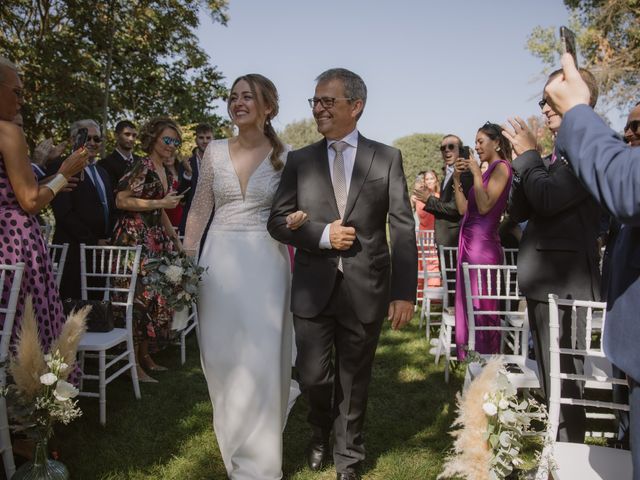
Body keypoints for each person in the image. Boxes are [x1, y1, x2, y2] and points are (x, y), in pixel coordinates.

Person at [268, 68, 417, 480]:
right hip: (313, 289)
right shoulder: (300, 160)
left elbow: (403, 226)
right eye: (314, 101)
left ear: (356, 106)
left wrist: (404, 292)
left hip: (365, 287)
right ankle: (319, 430)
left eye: (327, 101)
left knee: (354, 381)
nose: (318, 109)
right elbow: (277, 223)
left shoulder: (387, 157)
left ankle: (348, 457)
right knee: (315, 377)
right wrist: (320, 235)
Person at [184, 74, 303, 480]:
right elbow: (199, 209)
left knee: (263, 356)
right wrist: (186, 261)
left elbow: (293, 211)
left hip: (266, 262)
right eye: (233, 97)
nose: (237, 103)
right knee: (219, 356)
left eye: (247, 96)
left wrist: (297, 219)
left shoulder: (287, 155)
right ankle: (234, 437)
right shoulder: (213, 151)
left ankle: (261, 463)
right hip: (218, 260)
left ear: (268, 106)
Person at [542, 53, 640, 478]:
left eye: (638, 126)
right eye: (630, 125)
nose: (630, 133)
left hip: (571, 277)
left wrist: (576, 115)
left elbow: (623, 191)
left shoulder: (582, 154)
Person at [502, 66, 602, 443]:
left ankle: (567, 452)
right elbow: (522, 210)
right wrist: (524, 162)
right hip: (546, 284)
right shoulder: (555, 153)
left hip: (567, 282)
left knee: (567, 382)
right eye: (541, 99)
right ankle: (556, 453)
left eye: (550, 98)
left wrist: (529, 157)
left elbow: (549, 198)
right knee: (552, 380)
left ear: (578, 96)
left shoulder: (587, 146)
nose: (543, 106)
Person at [0, 57, 88, 351]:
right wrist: (65, 173)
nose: (22, 101)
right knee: (27, 333)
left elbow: (10, 188)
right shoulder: (8, 131)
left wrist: (53, 179)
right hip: (13, 243)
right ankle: (35, 391)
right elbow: (30, 201)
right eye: (17, 92)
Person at [112, 117, 184, 383]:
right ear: (153, 138)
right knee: (137, 301)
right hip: (133, 239)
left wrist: (177, 244)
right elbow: (121, 200)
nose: (171, 145)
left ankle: (146, 357)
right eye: (167, 139)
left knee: (151, 300)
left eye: (176, 141)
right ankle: (136, 364)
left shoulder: (164, 169)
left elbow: (161, 208)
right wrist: (159, 202)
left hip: (153, 239)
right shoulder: (142, 164)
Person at [453, 122, 512, 359]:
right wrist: (458, 179)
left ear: (496, 142)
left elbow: (486, 206)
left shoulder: (501, 168)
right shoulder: (487, 171)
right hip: (468, 243)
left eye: (481, 141)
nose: (476, 146)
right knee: (469, 302)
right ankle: (472, 355)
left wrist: (477, 173)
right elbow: (462, 209)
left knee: (483, 304)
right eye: (475, 142)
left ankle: (488, 359)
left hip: (483, 247)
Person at [50, 119, 115, 301]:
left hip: (99, 254)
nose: (93, 143)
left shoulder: (102, 171)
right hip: (72, 252)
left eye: (97, 139)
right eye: (87, 138)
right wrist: (93, 240)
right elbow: (63, 212)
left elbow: (110, 207)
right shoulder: (60, 167)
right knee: (72, 309)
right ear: (73, 139)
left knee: (96, 309)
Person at [413, 135, 473, 247]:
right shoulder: (448, 174)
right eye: (443, 148)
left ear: (460, 150)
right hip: (444, 239)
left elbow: (455, 208)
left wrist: (429, 200)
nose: (446, 150)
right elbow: (444, 206)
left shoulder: (464, 174)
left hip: (455, 239)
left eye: (451, 147)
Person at [179, 123, 213, 234]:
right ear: (195, 139)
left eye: (208, 138)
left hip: (213, 221)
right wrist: (188, 173)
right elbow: (181, 196)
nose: (205, 141)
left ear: (213, 139)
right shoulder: (186, 163)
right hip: (190, 220)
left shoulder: (221, 164)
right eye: (201, 138)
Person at [100, 120, 140, 189]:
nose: (131, 139)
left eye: (134, 135)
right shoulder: (105, 163)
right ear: (116, 136)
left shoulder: (140, 161)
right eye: (127, 134)